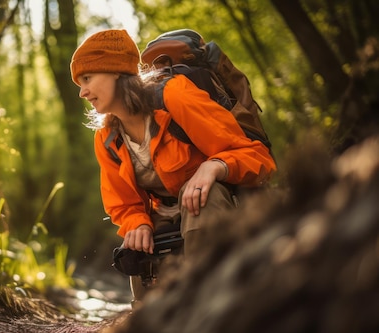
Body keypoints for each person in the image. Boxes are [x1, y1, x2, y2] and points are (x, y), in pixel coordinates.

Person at [69, 29, 277, 305]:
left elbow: (256, 156)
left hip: (220, 205)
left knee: (202, 198)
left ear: (115, 70)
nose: (82, 92)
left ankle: (215, 303)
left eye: (87, 79)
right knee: (136, 246)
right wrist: (138, 224)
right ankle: (150, 320)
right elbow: (123, 205)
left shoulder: (174, 96)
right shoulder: (106, 139)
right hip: (165, 213)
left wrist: (214, 166)